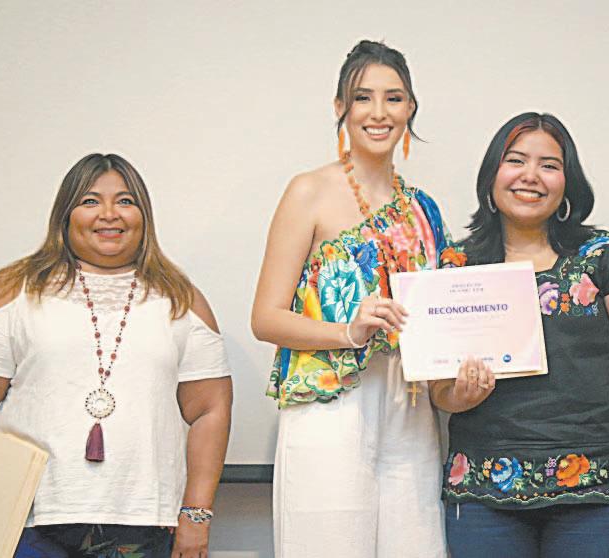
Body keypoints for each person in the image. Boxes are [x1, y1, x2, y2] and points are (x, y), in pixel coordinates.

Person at [0, 154, 233, 558]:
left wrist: (197, 515)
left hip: (144, 522)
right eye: (90, 201)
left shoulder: (181, 298)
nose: (109, 214)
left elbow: (211, 409)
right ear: (65, 215)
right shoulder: (15, 288)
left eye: (125, 201)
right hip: (26, 521)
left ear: (144, 216)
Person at [251, 40, 465, 558]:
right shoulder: (308, 191)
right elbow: (265, 317)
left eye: (394, 98)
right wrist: (348, 331)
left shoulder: (424, 209)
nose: (378, 112)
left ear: (410, 108)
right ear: (340, 107)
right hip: (332, 404)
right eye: (363, 97)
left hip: (410, 408)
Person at [433, 112, 609, 558]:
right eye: (516, 160)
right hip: (483, 493)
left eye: (549, 165)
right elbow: (438, 390)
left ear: (568, 182)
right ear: (491, 175)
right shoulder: (456, 266)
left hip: (599, 492)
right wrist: (459, 396)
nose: (531, 175)